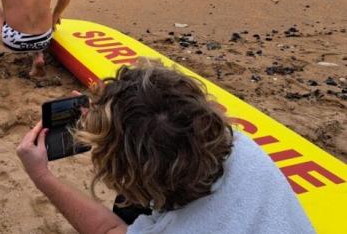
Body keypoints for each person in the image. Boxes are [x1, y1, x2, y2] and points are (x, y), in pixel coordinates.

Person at [16, 59, 315, 234]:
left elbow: (109, 231)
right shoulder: (240, 146)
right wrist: (106, 119)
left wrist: (42, 176)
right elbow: (162, 123)